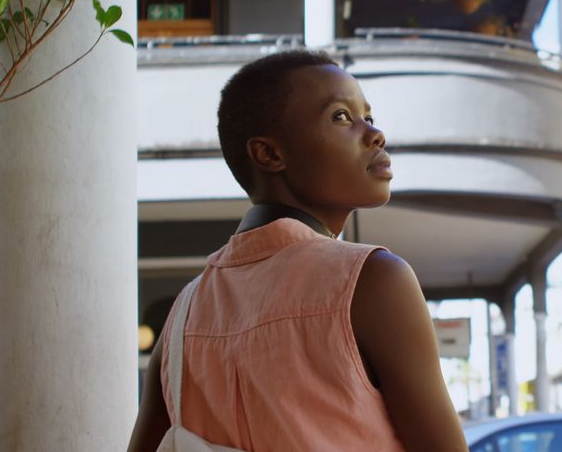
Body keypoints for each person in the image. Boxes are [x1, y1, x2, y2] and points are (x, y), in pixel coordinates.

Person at [128, 51, 468, 451]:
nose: (375, 135)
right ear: (269, 154)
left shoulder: (183, 314)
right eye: (341, 116)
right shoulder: (372, 279)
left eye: (369, 118)